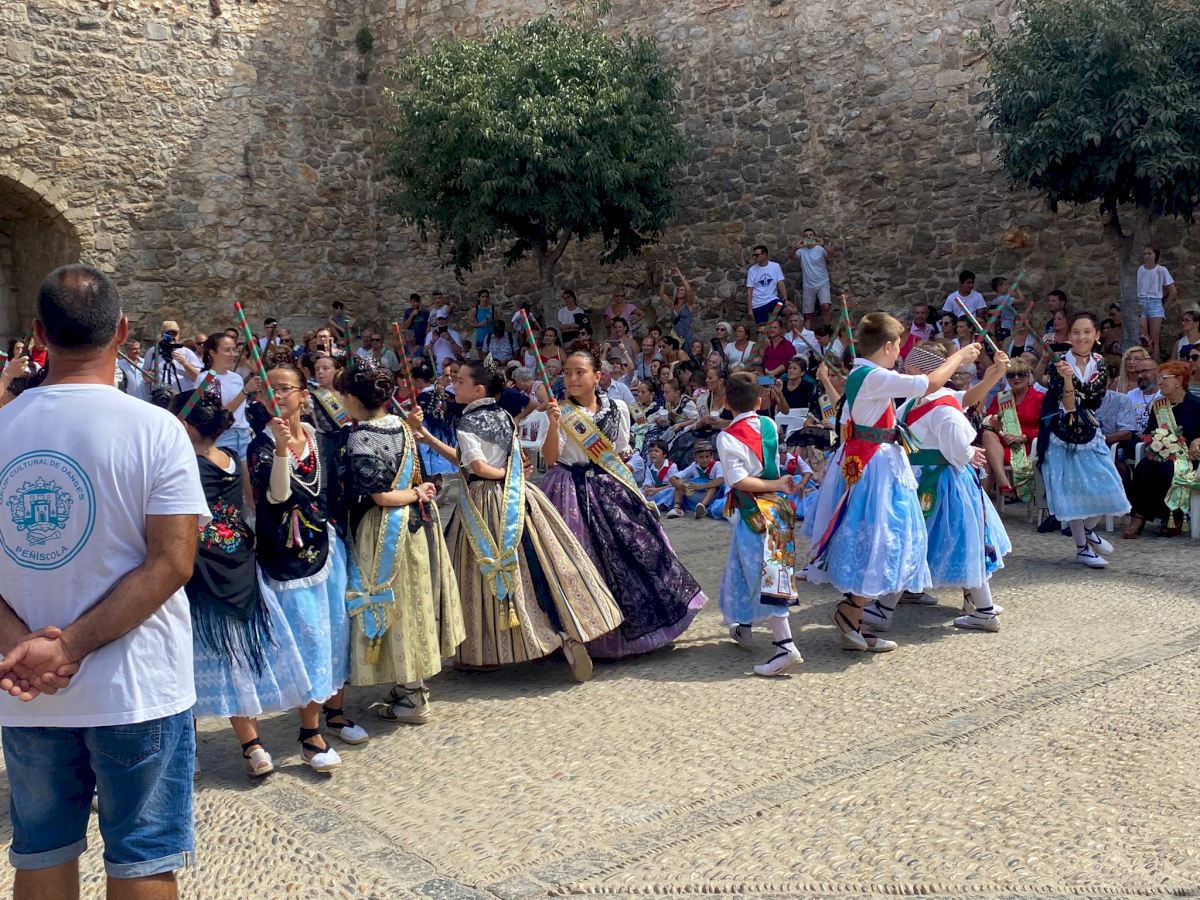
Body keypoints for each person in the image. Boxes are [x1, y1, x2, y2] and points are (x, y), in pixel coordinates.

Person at [0, 265, 209, 899]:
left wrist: (22, 647)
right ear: (121, 331)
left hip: (27, 688)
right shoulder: (156, 430)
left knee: (41, 852)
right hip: (136, 685)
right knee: (144, 860)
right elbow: (172, 563)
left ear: (39, 335)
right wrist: (67, 646)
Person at [806, 313, 982, 651]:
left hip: (872, 462)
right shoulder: (873, 376)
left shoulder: (863, 374)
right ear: (887, 346)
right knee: (887, 537)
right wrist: (959, 357)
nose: (900, 353)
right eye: (898, 345)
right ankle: (851, 611)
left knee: (880, 536)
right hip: (877, 467)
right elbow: (929, 384)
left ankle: (856, 615)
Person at [170, 387, 313, 779]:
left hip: (198, 570)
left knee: (189, 661)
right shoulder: (233, 459)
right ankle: (253, 746)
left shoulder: (181, 466)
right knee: (234, 660)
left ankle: (190, 751)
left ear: (184, 425)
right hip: (238, 562)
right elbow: (249, 504)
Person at [540, 349, 707, 658]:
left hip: (609, 486)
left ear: (597, 376)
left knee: (640, 548)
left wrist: (626, 477)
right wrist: (552, 424)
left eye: (579, 372)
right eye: (567, 372)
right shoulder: (558, 412)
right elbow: (550, 458)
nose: (572, 378)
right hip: (569, 491)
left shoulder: (617, 408)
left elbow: (619, 451)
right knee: (577, 561)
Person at [247, 365, 362, 772]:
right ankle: (309, 736)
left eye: (285, 388)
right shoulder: (260, 447)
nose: (277, 396)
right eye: (269, 390)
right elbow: (277, 496)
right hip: (288, 556)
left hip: (328, 550)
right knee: (308, 638)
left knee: (335, 631)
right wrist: (281, 451)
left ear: (303, 395)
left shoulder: (322, 440)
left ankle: (335, 712)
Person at [338, 359, 465, 724]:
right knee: (414, 599)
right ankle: (410, 683)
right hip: (416, 527)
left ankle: (412, 695)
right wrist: (419, 492)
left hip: (382, 531)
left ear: (352, 398)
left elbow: (381, 496)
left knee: (393, 603)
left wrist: (414, 493)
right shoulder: (401, 426)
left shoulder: (361, 437)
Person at [862, 344, 1012, 634]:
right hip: (927, 481)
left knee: (928, 540)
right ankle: (981, 609)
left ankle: (886, 608)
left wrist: (967, 453)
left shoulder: (941, 406)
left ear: (922, 371)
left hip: (940, 485)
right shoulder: (919, 401)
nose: (904, 373)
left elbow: (957, 447)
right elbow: (967, 400)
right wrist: (994, 375)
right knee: (935, 540)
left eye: (909, 369)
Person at [716, 371, 804, 675]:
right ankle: (743, 624)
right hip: (777, 509)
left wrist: (777, 483)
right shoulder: (768, 425)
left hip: (753, 511)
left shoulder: (727, 436)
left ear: (726, 402)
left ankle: (785, 646)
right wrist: (777, 484)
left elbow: (739, 480)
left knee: (765, 573)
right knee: (746, 567)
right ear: (758, 401)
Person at [1036, 312, 1131, 568]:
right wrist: (1067, 378)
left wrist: (1075, 388)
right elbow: (1068, 405)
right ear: (1070, 336)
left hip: (1089, 429)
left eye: (1087, 332)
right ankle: (1082, 548)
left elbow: (1094, 399)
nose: (1082, 337)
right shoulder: (1059, 364)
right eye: (1076, 332)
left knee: (1110, 485)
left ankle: (1088, 531)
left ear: (1097, 335)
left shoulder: (1100, 364)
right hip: (1061, 434)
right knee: (1072, 491)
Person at [1124, 360, 1200, 538]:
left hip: (1188, 458)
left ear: (1179, 380)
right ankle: (1138, 516)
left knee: (1166, 469)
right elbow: (1149, 432)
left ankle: (1172, 517)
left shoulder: (1196, 405)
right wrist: (1154, 440)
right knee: (1143, 466)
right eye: (1159, 378)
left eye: (1164, 378)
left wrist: (1197, 440)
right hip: (1162, 454)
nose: (1159, 382)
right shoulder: (1159, 406)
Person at [980, 358, 1044, 497]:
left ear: (1028, 376)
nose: (1016, 378)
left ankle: (982, 502)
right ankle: (1003, 480)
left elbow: (1046, 427)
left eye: (1020, 374)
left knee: (987, 459)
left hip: (1027, 446)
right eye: (1011, 375)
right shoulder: (1002, 398)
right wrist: (997, 425)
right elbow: (989, 421)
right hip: (1003, 444)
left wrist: (1023, 436)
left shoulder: (1040, 398)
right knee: (987, 435)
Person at [200, 333, 261, 460]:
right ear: (212, 352)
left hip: (244, 435)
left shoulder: (236, 378)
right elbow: (220, 414)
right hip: (223, 437)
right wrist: (246, 391)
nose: (233, 354)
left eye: (234, 349)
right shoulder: (206, 379)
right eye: (227, 350)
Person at [1137, 245, 1176, 361]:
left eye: (1150, 254)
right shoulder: (1139, 269)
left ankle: (1155, 364)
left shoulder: (1161, 270)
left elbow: (1172, 291)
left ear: (1155, 255)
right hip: (1140, 303)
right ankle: (1143, 362)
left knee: (1155, 340)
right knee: (1143, 338)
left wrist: (1163, 307)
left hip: (1155, 303)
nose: (1147, 256)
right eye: (1145, 254)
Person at [672, 440, 727, 520]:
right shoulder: (693, 466)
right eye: (701, 457)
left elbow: (720, 480)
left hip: (713, 496)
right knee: (680, 482)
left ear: (712, 456)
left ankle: (702, 507)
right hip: (696, 495)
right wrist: (680, 485)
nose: (704, 460)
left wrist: (700, 486)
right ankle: (677, 508)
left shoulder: (717, 465)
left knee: (713, 485)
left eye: (707, 456)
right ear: (695, 457)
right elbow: (673, 478)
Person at [142, 319, 202, 392]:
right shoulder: (153, 351)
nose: (172, 337)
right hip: (159, 396)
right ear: (162, 335)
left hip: (182, 396)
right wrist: (149, 376)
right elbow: (144, 374)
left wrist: (185, 363)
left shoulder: (187, 352)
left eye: (174, 334)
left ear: (179, 335)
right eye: (169, 334)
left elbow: (199, 378)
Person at [790, 228, 835, 321]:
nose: (808, 237)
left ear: (815, 237)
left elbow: (832, 254)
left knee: (826, 307)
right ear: (803, 238)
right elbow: (791, 256)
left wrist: (823, 245)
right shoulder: (801, 251)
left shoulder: (820, 249)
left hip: (823, 283)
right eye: (806, 236)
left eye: (810, 235)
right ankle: (808, 330)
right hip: (808, 285)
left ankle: (827, 328)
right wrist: (795, 247)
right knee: (808, 314)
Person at [745, 244, 788, 325]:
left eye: (757, 255)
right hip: (758, 304)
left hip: (772, 300)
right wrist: (750, 309)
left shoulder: (775, 266)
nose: (754, 257)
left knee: (790, 310)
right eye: (754, 255)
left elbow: (781, 283)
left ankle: (773, 321)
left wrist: (785, 299)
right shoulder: (752, 270)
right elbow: (749, 291)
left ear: (764, 255)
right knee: (763, 329)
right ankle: (771, 323)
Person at [659, 268, 695, 344]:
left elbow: (689, 291)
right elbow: (662, 294)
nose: (679, 291)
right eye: (678, 289)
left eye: (682, 290)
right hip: (674, 335)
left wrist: (680, 276)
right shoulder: (672, 305)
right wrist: (664, 280)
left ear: (685, 293)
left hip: (686, 336)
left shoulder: (688, 304)